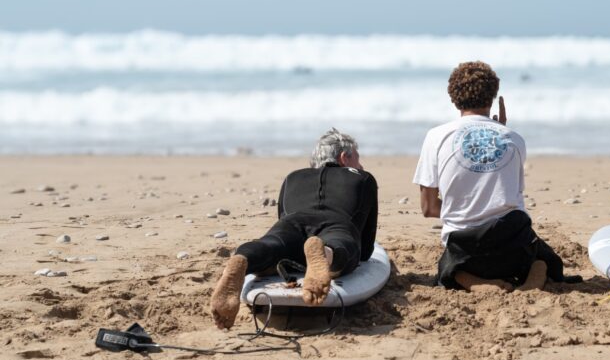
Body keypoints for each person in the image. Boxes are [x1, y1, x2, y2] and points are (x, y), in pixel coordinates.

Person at [413, 61, 580, 292]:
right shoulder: (514, 139)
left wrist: (463, 208)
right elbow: (507, 197)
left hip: (466, 252)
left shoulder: (436, 137)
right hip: (512, 248)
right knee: (543, 256)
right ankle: (536, 272)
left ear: (453, 97)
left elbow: (428, 208)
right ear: (493, 97)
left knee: (448, 268)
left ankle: (469, 279)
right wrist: (498, 131)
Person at [210, 129, 378, 329]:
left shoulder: (293, 177)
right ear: (344, 157)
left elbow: (282, 217)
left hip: (291, 223)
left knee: (273, 244)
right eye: (358, 159)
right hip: (336, 222)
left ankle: (243, 259)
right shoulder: (362, 178)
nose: (360, 165)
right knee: (341, 244)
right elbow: (366, 249)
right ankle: (326, 253)